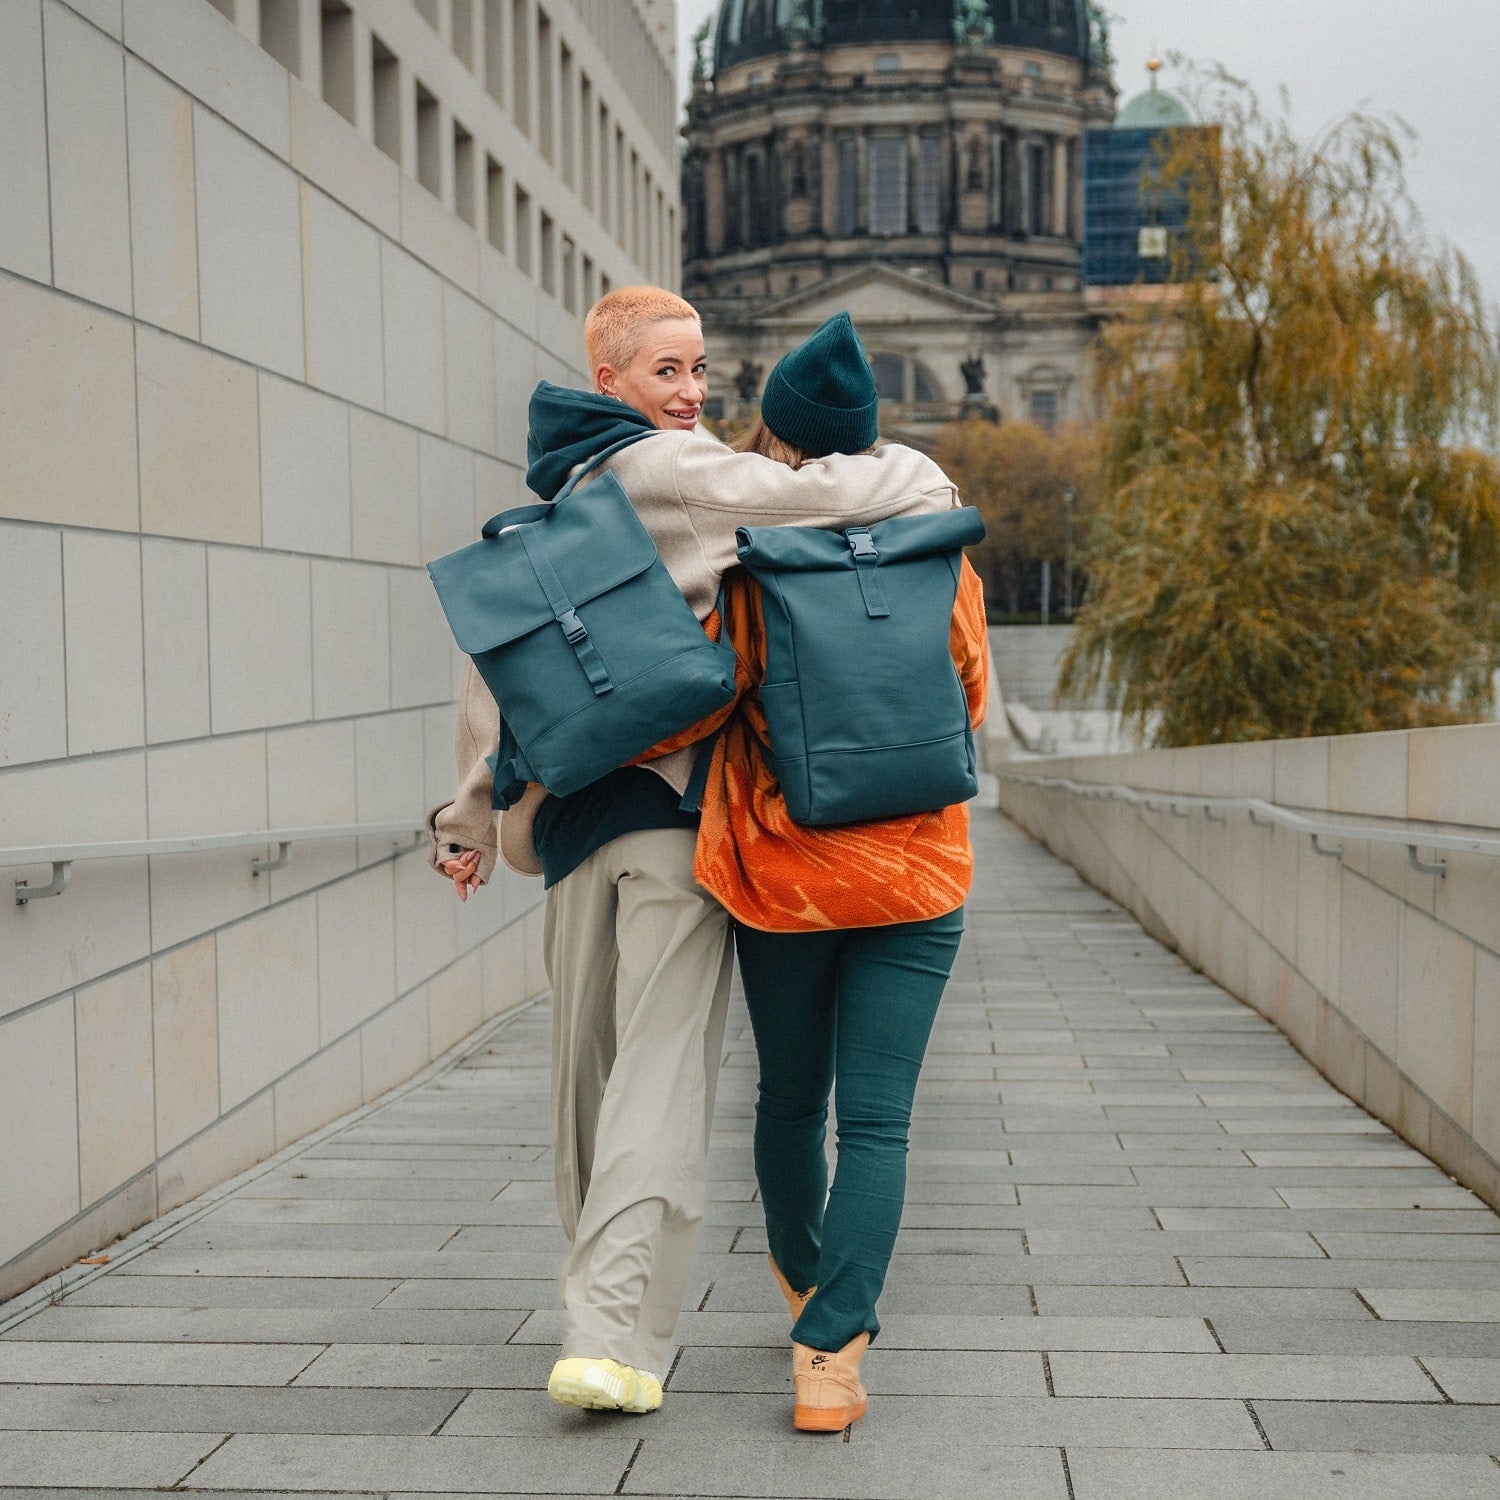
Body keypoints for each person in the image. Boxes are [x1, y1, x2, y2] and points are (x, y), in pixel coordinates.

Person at [427, 289, 962, 1415]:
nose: (692, 391)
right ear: (612, 381)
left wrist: (470, 814)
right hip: (674, 822)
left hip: (571, 823)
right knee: (657, 1084)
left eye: (698, 368)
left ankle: (598, 1294)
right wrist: (920, 475)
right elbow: (831, 491)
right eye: (668, 371)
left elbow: (504, 672)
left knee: (585, 1079)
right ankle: (612, 1331)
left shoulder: (560, 489)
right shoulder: (678, 471)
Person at [689, 316, 989, 1432]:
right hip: (918, 871)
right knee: (878, 1122)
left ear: (778, 443)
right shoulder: (940, 548)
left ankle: (806, 1275)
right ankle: (833, 1357)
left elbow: (721, 693)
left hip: (786, 875)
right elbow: (970, 699)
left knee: (788, 1101)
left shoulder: (755, 561)